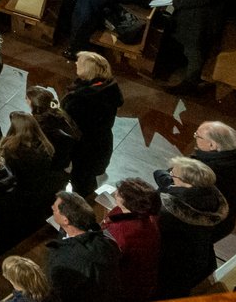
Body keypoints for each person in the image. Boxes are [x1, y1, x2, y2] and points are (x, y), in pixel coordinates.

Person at [155, 156, 228, 298]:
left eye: (173, 174)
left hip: (171, 271)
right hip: (200, 266)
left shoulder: (171, 212)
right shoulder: (209, 197)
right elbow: (161, 176)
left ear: (187, 183)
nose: (170, 175)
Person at [61, 52, 122, 195]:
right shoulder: (107, 89)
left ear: (87, 70)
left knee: (81, 182)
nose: (76, 63)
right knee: (85, 179)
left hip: (86, 149)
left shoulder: (84, 99)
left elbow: (71, 125)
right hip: (100, 144)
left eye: (79, 62)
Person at [46, 191, 119, 302]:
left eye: (55, 209)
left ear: (66, 220)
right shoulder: (107, 242)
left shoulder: (62, 259)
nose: (52, 207)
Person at [100, 178, 162, 302]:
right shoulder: (145, 215)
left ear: (130, 202)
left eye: (120, 193)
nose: (116, 193)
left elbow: (104, 258)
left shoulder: (123, 233)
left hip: (124, 284)